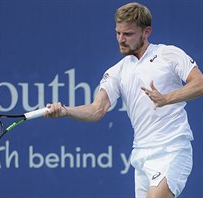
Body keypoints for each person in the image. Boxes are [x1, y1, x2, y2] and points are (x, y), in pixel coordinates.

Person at [45, 2, 203, 198]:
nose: (121, 39)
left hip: (172, 149)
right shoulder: (116, 71)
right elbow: (97, 109)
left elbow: (200, 83)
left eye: (128, 34)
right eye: (118, 33)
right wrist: (66, 111)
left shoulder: (168, 54)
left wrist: (166, 98)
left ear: (146, 32)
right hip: (141, 154)